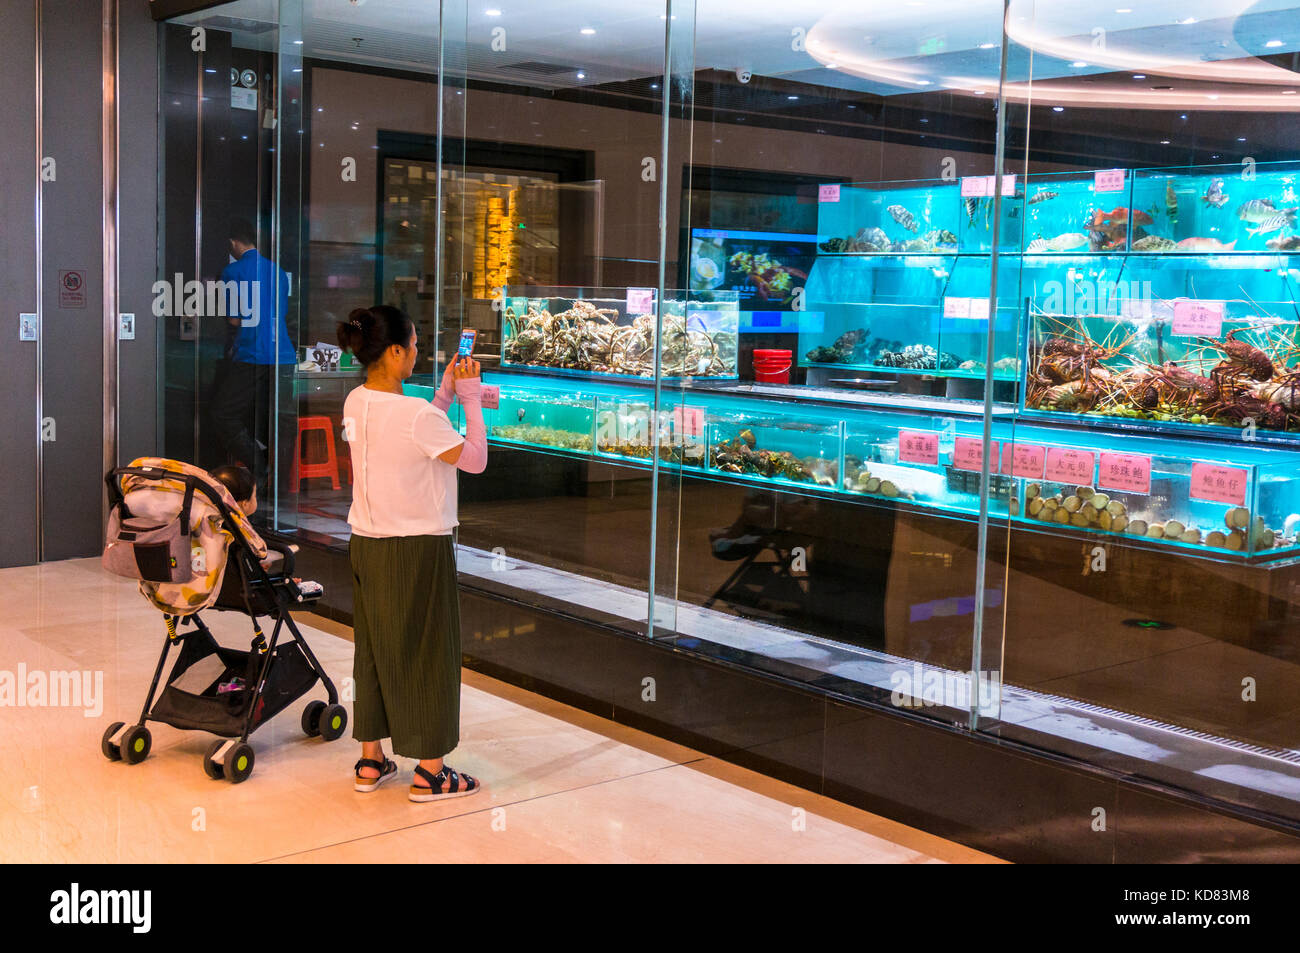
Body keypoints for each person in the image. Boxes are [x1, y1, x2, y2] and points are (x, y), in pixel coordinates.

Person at [336, 305, 488, 800]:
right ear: (397, 350)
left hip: (366, 544)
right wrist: (469, 400)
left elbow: (413, 436)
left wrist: (443, 394)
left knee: (374, 649)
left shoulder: (356, 402)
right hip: (418, 548)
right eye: (416, 344)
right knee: (430, 653)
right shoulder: (418, 416)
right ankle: (430, 771)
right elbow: (476, 461)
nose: (419, 352)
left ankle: (370, 760)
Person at [209, 218, 296, 495]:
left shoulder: (233, 272)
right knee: (278, 419)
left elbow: (235, 320)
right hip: (282, 354)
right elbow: (280, 314)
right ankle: (277, 483)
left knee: (223, 414)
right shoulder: (279, 271)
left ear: (233, 243)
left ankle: (259, 466)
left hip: (251, 353)